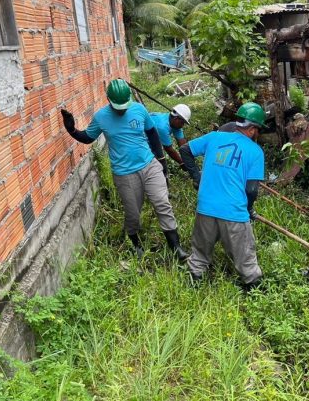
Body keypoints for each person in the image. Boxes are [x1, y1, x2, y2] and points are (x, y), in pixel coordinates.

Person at [60, 79, 189, 260]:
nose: (121, 109)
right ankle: (135, 242)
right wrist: (72, 130)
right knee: (132, 213)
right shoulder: (101, 117)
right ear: (108, 99)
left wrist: (161, 161)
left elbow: (152, 133)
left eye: (124, 106)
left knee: (162, 203)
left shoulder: (139, 109)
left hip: (148, 165)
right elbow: (88, 138)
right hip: (124, 173)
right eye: (117, 106)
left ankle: (176, 247)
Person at [179, 102, 267, 290]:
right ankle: (253, 287)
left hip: (205, 207)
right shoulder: (255, 152)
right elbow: (251, 190)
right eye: (258, 130)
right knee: (245, 257)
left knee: (200, 253)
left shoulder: (214, 137)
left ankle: (194, 278)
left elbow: (185, 150)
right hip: (233, 212)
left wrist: (197, 177)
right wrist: (248, 208)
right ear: (252, 129)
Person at [149, 104, 191, 171]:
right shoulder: (162, 126)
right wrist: (182, 163)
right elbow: (169, 150)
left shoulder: (175, 123)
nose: (183, 125)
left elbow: (183, 145)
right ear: (176, 118)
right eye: (182, 123)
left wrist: (189, 159)